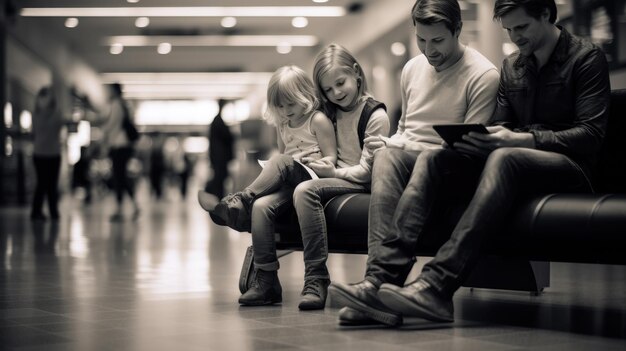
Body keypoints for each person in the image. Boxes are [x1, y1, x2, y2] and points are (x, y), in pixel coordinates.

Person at [329, 0, 610, 327]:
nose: (515, 36)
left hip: (570, 167)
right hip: (517, 162)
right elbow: (502, 126)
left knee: (506, 156)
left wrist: (524, 139)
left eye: (521, 27)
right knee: (436, 157)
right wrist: (487, 136)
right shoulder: (514, 66)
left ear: (547, 15)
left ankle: (437, 284)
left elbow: (590, 135)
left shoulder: (586, 58)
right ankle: (381, 280)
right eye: (508, 29)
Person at [197, 65, 337, 309]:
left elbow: (332, 159)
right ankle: (266, 281)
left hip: (314, 178)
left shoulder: (319, 120)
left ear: (304, 96)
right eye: (280, 106)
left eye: (290, 104)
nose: (285, 111)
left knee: (280, 161)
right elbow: (285, 154)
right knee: (262, 206)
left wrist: (310, 162)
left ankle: (239, 202)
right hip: (290, 178)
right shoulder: (283, 125)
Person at [289, 44, 391, 311]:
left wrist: (332, 172)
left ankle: (316, 277)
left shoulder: (375, 115)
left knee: (304, 191)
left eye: (340, 83)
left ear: (356, 73)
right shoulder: (327, 112)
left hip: (358, 181)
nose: (336, 93)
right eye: (328, 89)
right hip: (333, 176)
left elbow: (367, 171)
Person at [101, 83, 140, 221]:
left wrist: (103, 135)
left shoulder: (116, 105)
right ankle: (133, 206)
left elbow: (112, 125)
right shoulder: (123, 105)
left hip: (119, 147)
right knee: (121, 178)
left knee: (119, 178)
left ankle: (120, 209)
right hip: (124, 147)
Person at [30, 86, 65, 220]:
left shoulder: (52, 114)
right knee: (44, 183)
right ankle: (42, 211)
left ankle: (50, 211)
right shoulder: (40, 114)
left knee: (48, 184)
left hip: (50, 153)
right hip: (42, 153)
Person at [204, 99, 234, 199]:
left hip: (218, 157)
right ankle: (218, 198)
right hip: (220, 157)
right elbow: (227, 137)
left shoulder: (216, 121)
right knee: (219, 180)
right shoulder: (219, 121)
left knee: (219, 179)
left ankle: (217, 197)